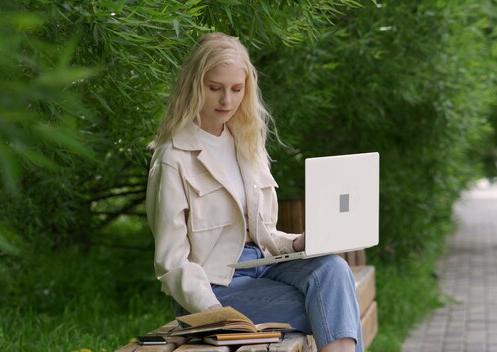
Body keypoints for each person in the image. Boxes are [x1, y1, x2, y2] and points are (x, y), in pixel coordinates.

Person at [145, 32, 363, 352]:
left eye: (236, 89)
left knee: (333, 269)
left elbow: (262, 234)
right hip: (213, 289)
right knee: (333, 307)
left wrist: (298, 242)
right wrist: (212, 313)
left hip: (262, 267)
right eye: (215, 88)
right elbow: (172, 261)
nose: (227, 101)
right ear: (194, 85)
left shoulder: (246, 140)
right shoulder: (173, 157)